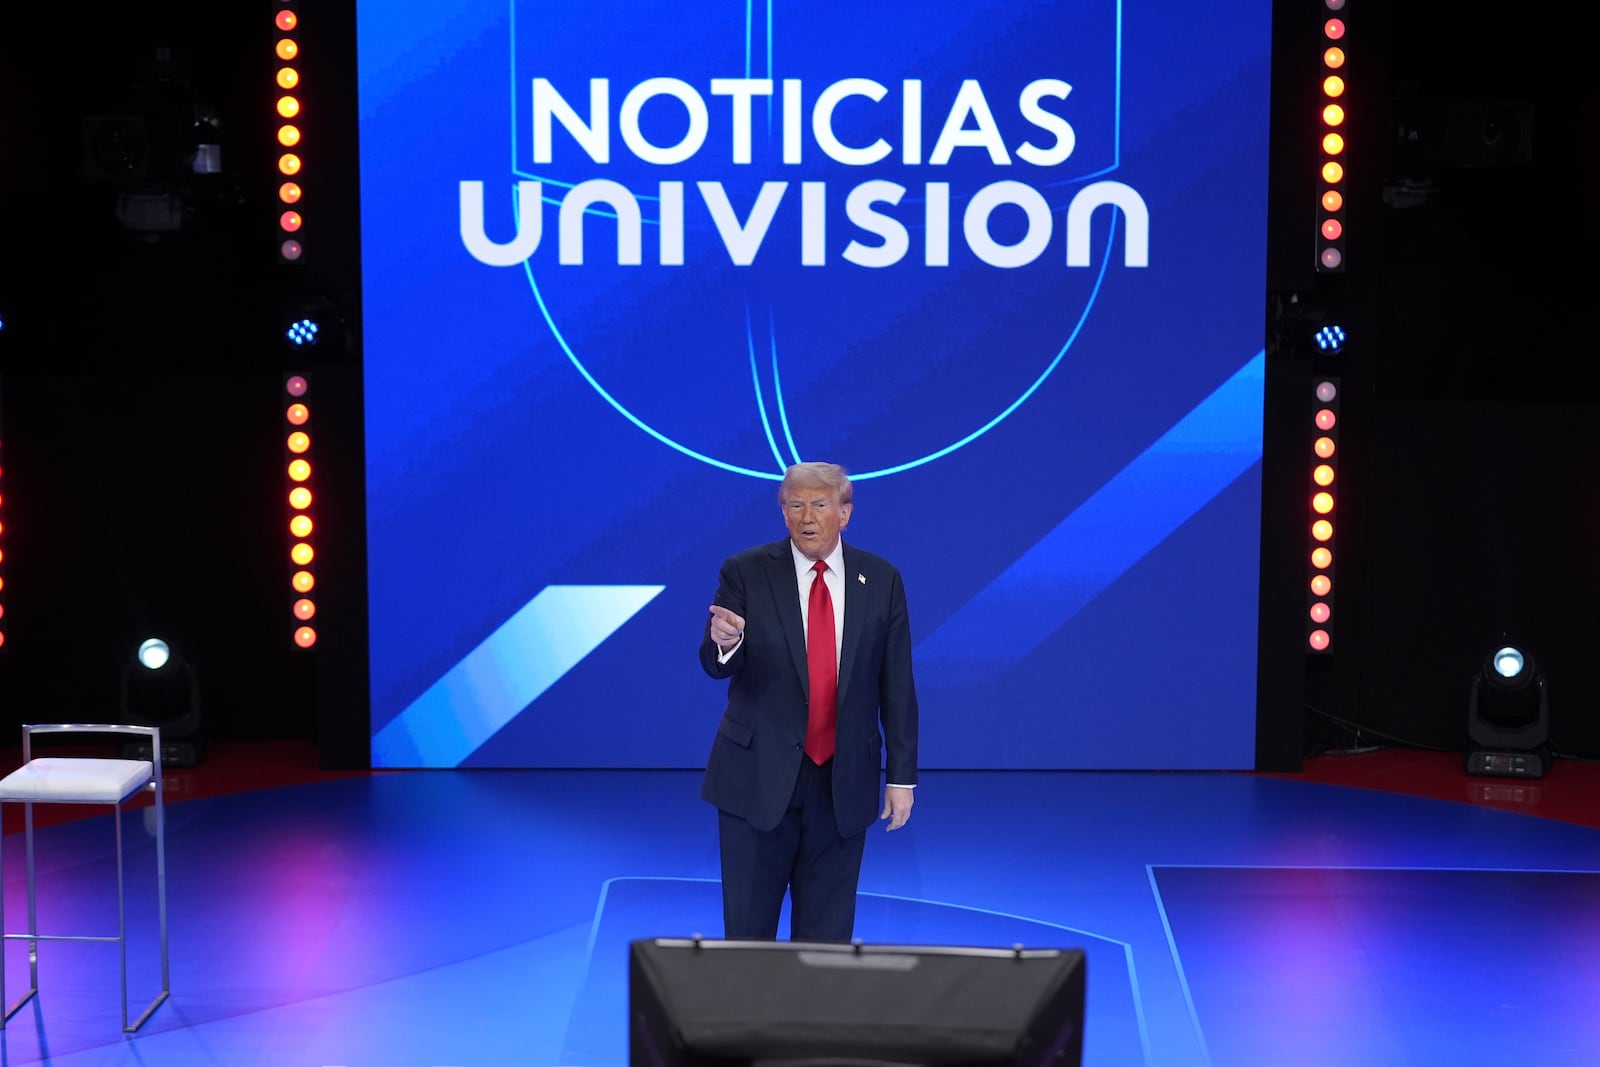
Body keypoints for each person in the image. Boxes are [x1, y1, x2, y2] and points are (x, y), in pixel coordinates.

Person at [699, 461, 918, 942]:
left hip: (842, 783)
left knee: (826, 938)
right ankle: (747, 1020)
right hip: (756, 777)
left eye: (820, 504)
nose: (807, 517)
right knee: (748, 933)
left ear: (845, 513)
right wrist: (725, 641)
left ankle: (812, 1020)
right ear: (782, 512)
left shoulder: (880, 579)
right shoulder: (746, 571)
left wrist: (901, 777)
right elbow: (716, 664)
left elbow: (896, 682)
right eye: (795, 505)